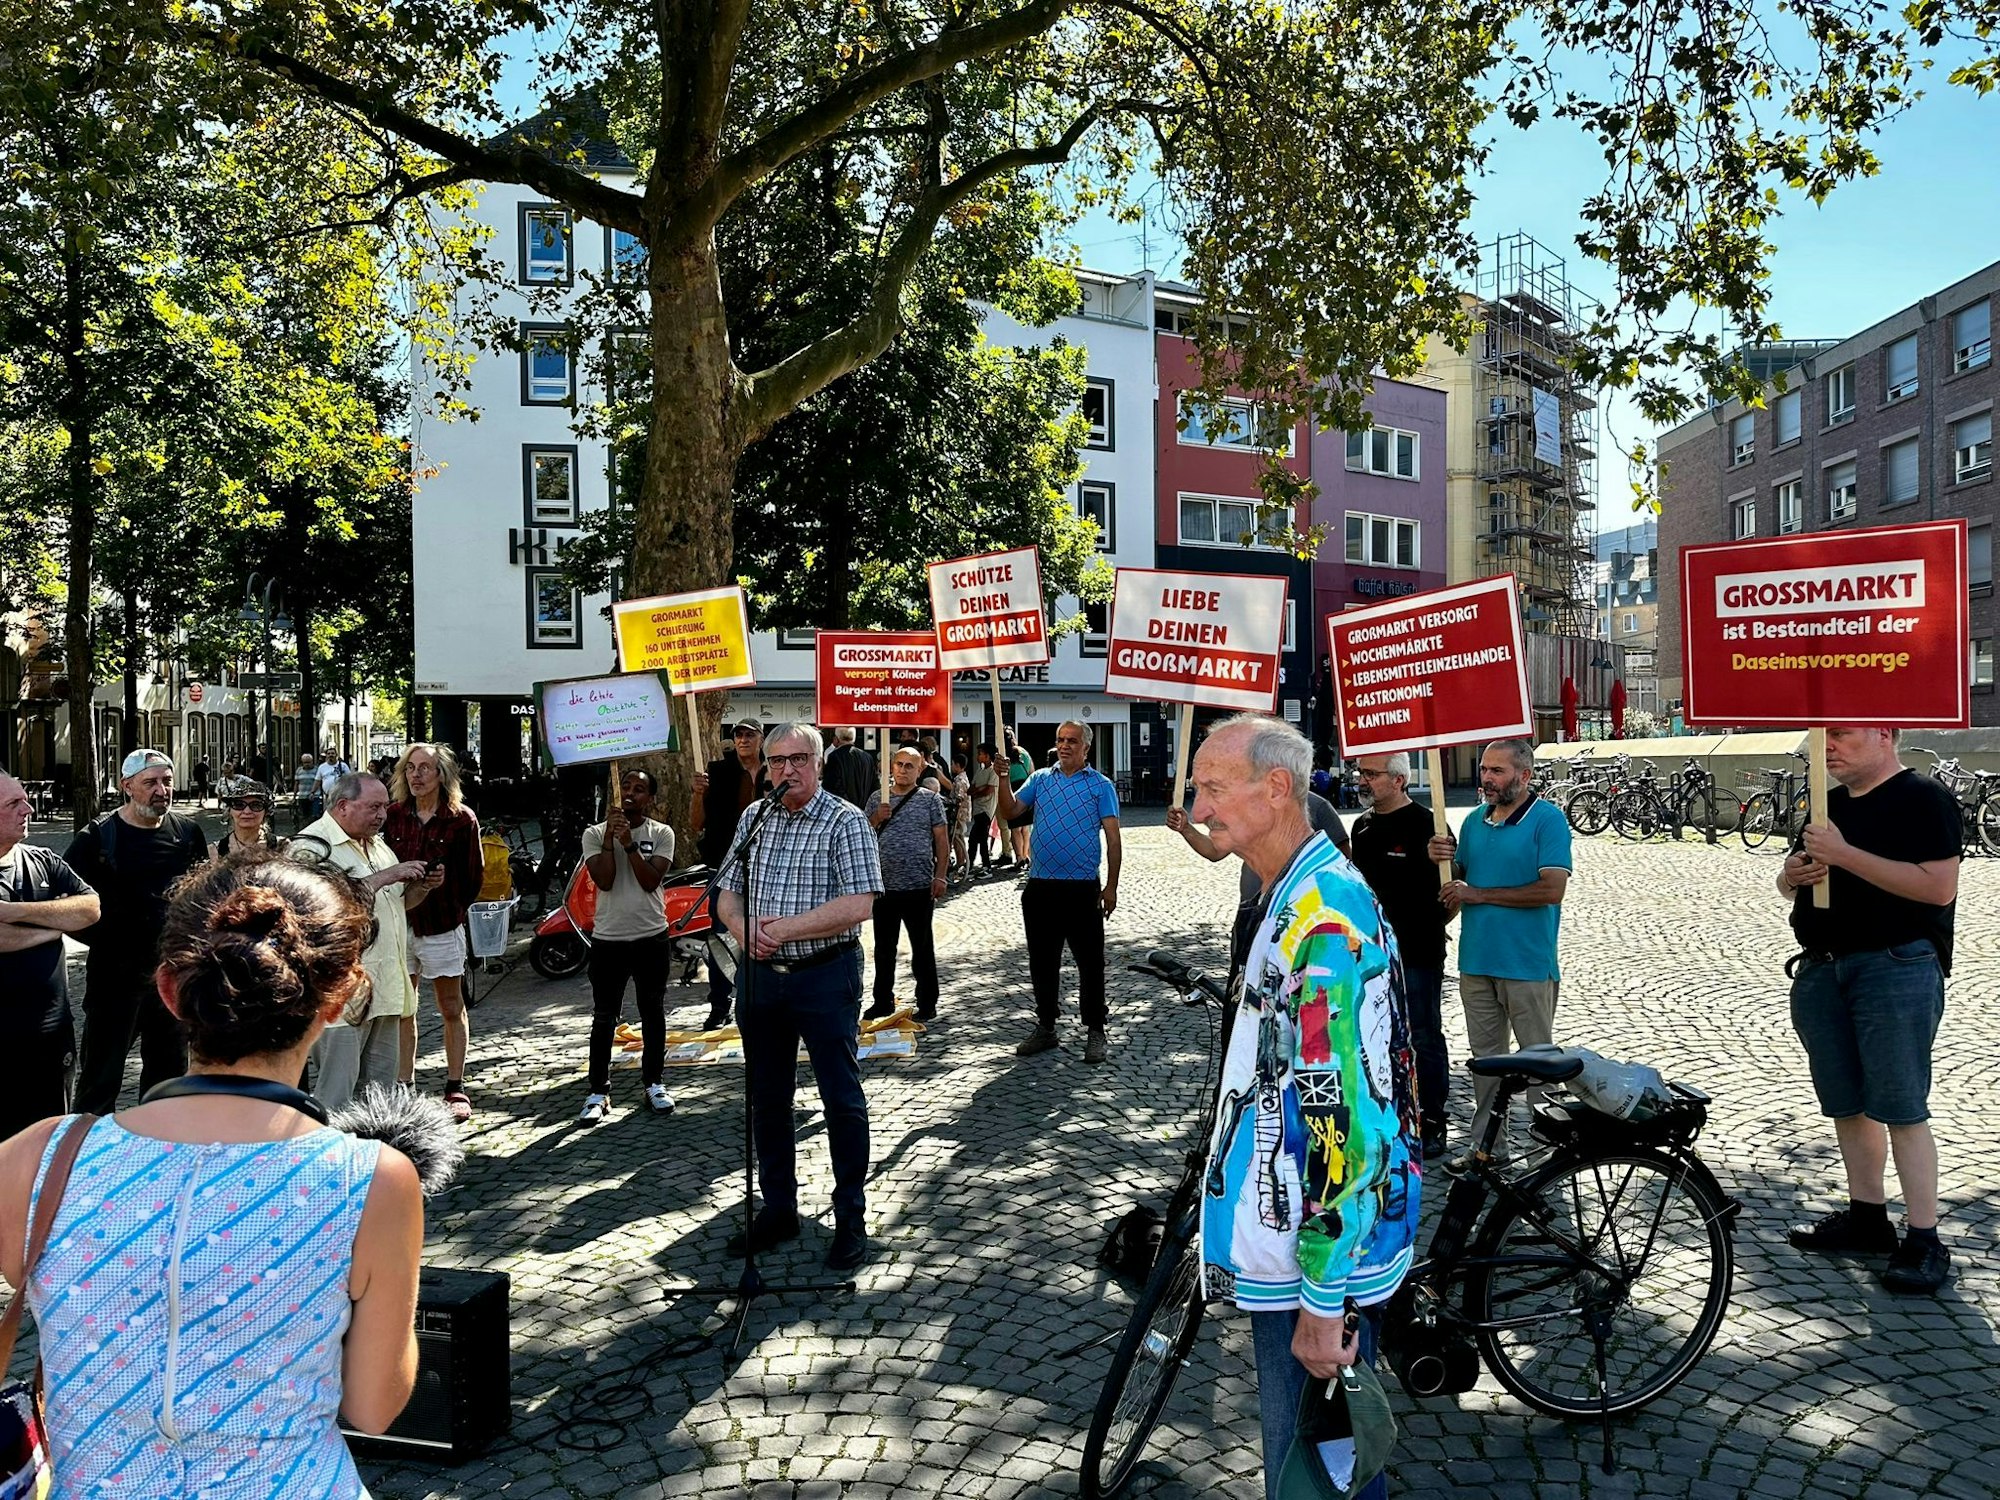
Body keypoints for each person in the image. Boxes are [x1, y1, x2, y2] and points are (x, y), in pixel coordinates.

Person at [0, 850, 426, 1491]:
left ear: (170, 991)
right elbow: (373, 1405)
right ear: (340, 997)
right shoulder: (372, 1179)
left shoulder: (40, 1156)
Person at [1189, 715, 1418, 1500]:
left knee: (1320, 1475)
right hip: (1287, 1242)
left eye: (1213, 787)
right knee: (1315, 1464)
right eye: (1197, 788)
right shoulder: (1288, 890)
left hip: (1313, 1262)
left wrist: (1325, 1301)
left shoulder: (1323, 919)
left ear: (1277, 788)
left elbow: (1342, 1124)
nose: (1196, 808)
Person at [1778, 726, 1959, 1295]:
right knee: (1847, 1103)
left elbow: (1938, 888)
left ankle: (1925, 1238)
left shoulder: (1923, 798)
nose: (1827, 747)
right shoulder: (1824, 802)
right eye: (1823, 738)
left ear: (1886, 735)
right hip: (1823, 968)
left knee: (1901, 1106)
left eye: (1844, 736)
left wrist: (1845, 856)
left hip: (1894, 964)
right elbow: (1789, 880)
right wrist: (1793, 875)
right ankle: (1867, 1216)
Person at [715, 723, 881, 1273]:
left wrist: (782, 929)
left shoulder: (845, 820)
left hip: (824, 974)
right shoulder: (754, 817)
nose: (787, 770)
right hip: (761, 977)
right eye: (776, 760)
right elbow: (725, 891)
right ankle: (779, 1207)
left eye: (798, 759)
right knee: (767, 1098)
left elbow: (860, 903)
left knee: (839, 1097)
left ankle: (850, 1216)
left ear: (819, 762)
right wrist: (742, 928)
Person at [1427, 737, 1571, 1146]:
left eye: (1497, 771)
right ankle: (1486, 1150)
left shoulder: (1548, 820)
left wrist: (1479, 894)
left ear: (1523, 776)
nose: (1486, 778)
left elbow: (1551, 890)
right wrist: (1439, 859)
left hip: (1526, 963)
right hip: (1476, 960)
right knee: (1486, 1065)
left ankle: (1547, 1155)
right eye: (1484, 769)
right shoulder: (1474, 822)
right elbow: (1457, 884)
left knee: (1540, 1064)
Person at [65, 749, 209, 1114]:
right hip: (114, 982)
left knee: (169, 1080)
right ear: (126, 786)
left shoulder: (187, 833)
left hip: (172, 979)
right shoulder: (96, 839)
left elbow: (204, 895)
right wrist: (110, 941)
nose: (161, 790)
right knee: (101, 1077)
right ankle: (87, 1156)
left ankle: (160, 1153)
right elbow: (68, 902)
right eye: (150, 783)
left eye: (167, 781)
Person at [992, 719, 1122, 1063]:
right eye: (1060, 740)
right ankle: (1046, 1026)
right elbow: (1009, 811)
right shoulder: (1040, 780)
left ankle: (1095, 1029)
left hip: (1082, 889)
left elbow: (1112, 839)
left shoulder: (1100, 786)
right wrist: (1003, 778)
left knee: (1090, 963)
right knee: (1042, 962)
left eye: (1072, 741)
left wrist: (1111, 886)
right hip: (1041, 888)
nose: (1064, 745)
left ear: (1086, 748)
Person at [295, 772, 427, 1109]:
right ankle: (329, 1159)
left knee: (379, 1096)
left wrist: (421, 887)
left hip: (383, 989)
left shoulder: (377, 843)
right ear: (342, 806)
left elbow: (396, 904)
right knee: (337, 1095)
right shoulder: (310, 847)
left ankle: (372, 1156)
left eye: (385, 806)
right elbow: (324, 907)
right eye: (374, 807)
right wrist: (389, 875)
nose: (382, 815)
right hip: (340, 997)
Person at [1349, 753, 1452, 1160]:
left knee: (1422, 1036)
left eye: (1370, 774)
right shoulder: (1362, 827)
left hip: (1417, 951)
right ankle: (1389, 1113)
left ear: (1398, 779)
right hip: (1370, 952)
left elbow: (1451, 890)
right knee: (1374, 1035)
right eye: (1361, 773)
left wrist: (1444, 860)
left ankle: (1432, 1120)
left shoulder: (1431, 826)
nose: (1362, 780)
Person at [384, 743, 484, 1123]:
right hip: (401, 923)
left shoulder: (460, 819)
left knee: (450, 1006)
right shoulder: (393, 816)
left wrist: (451, 901)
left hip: (441, 924)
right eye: (410, 768)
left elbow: (474, 877)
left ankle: (455, 1084)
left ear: (442, 774)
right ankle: (403, 1084)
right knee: (402, 1006)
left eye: (425, 768)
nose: (416, 775)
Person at [0, 772, 101, 1139]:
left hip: (49, 1037)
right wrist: (55, 923)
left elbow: (90, 908)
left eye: (25, 799)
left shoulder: (43, 860)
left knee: (47, 1140)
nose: (28, 809)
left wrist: (14, 912)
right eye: (13, 804)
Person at [576, 769, 678, 1125]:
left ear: (650, 798)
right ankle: (598, 1091)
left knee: (652, 1011)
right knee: (605, 1016)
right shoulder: (592, 834)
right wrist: (609, 839)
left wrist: (630, 845)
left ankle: (654, 1082)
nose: (631, 794)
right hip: (609, 940)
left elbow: (651, 881)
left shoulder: (661, 833)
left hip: (651, 936)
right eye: (627, 788)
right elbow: (604, 880)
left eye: (640, 789)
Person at [1168, 782, 1351, 972]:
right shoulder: (1246, 807)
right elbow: (1215, 850)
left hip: (1297, 925)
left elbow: (1343, 866)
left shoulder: (1317, 807)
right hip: (1251, 919)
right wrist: (1186, 829)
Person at [692, 719, 768, 1029]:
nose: (743, 739)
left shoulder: (774, 770)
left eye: (750, 734)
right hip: (724, 867)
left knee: (766, 934)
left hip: (768, 868)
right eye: (738, 734)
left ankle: (763, 999)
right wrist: (698, 794)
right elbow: (696, 823)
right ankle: (720, 1004)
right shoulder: (716, 772)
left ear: (761, 739)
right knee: (722, 936)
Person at [864, 747, 949, 1023]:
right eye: (898, 764)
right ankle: (882, 1000)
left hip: (918, 885)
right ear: (891, 767)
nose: (902, 769)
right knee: (883, 948)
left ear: (919, 769)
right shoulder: (878, 798)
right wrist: (876, 818)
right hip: (885, 886)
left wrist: (940, 875)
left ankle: (927, 1001)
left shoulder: (929, 800)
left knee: (922, 947)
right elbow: (862, 836)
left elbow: (941, 840)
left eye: (909, 766)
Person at [214, 780, 282, 859]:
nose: (247, 811)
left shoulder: (283, 848)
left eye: (256, 805)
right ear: (229, 811)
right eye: (239, 805)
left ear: (266, 812)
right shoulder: (213, 852)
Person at [822, 727, 877, 810]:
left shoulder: (834, 757)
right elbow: (875, 786)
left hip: (843, 811)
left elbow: (831, 787)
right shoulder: (868, 757)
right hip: (865, 810)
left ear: (836, 739)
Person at [969, 742, 1000, 874]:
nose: (978, 756)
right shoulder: (979, 771)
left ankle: (986, 867)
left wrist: (977, 791)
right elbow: (971, 788)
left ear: (987, 756)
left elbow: (989, 789)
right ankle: (971, 865)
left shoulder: (993, 771)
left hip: (985, 810)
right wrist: (977, 790)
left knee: (979, 839)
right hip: (977, 810)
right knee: (976, 839)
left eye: (980, 754)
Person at [1003, 730, 1033, 866]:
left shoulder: (1003, 756)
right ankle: (1027, 855)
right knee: (1026, 828)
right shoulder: (1024, 753)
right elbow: (1032, 772)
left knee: (1015, 828)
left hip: (1012, 790)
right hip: (1026, 789)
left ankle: (1019, 857)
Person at [948, 753, 973, 885]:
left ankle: (960, 862)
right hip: (963, 813)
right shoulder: (963, 777)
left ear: (958, 765)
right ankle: (961, 862)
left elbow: (959, 798)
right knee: (959, 838)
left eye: (952, 764)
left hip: (960, 814)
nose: (951, 766)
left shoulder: (959, 780)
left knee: (957, 838)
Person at [314, 744, 353, 817]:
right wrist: (312, 792)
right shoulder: (322, 767)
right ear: (326, 755)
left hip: (341, 795)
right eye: (328, 754)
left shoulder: (343, 766)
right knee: (328, 813)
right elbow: (317, 780)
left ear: (336, 755)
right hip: (328, 796)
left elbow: (349, 779)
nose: (330, 755)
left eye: (332, 753)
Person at [297, 752, 321, 819]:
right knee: (304, 816)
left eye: (308, 762)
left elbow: (319, 782)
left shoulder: (317, 770)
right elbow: (296, 783)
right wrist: (294, 796)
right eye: (305, 762)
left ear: (312, 761)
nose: (307, 764)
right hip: (302, 796)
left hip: (315, 796)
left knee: (315, 815)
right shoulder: (299, 770)